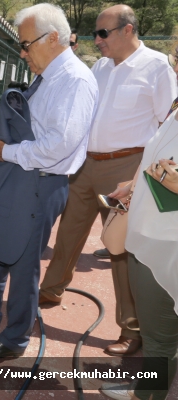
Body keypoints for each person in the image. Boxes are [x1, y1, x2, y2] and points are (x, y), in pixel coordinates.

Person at [38, 5, 178, 357]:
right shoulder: (100, 67)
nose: (95, 40)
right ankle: (51, 289)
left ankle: (130, 329)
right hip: (88, 163)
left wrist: (139, 177)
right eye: (95, 33)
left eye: (103, 33)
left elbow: (167, 123)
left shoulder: (157, 66)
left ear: (128, 30)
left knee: (120, 247)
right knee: (68, 229)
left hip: (127, 165)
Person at [0, 3, 97, 357]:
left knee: (23, 263)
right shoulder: (49, 76)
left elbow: (56, 147)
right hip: (22, 180)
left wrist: (4, 150)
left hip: (41, 183)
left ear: (54, 38)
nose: (23, 51)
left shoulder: (74, 80)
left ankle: (14, 340)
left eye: (26, 44)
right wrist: (1, 145)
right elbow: (35, 131)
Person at [99, 108, 178, 400]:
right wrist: (132, 187)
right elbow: (155, 157)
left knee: (160, 341)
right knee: (157, 335)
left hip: (167, 246)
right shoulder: (175, 106)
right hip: (145, 236)